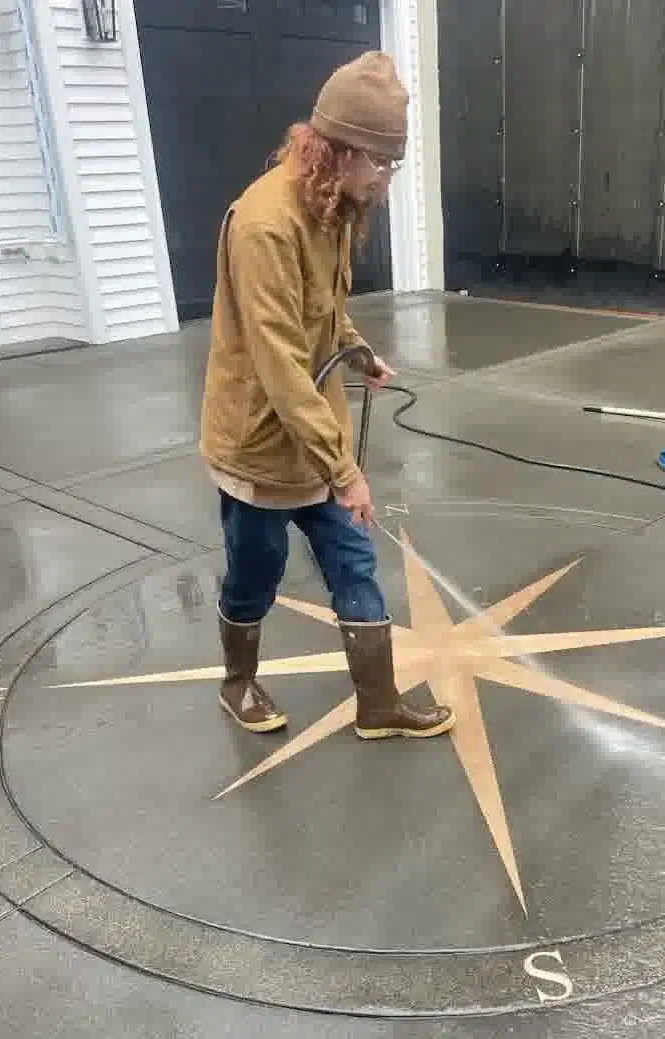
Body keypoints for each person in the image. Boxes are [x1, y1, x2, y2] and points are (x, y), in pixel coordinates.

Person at [200, 52, 455, 741]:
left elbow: (323, 306)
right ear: (334, 150)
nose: (385, 181)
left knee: (353, 561)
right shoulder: (264, 225)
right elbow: (279, 362)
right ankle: (238, 683)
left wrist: (357, 349)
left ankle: (379, 704)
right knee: (257, 572)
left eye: (391, 165)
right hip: (259, 444)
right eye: (379, 163)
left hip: (316, 434)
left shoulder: (334, 202)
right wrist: (347, 473)